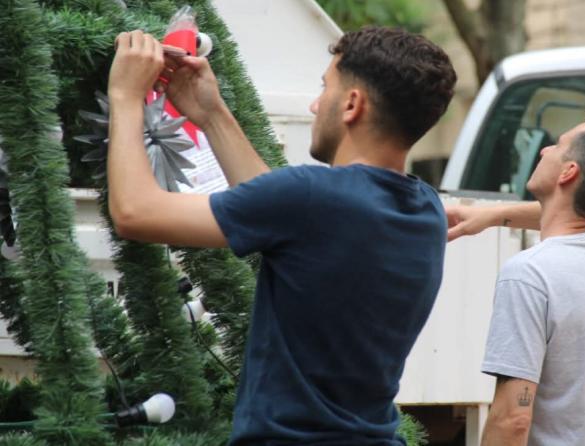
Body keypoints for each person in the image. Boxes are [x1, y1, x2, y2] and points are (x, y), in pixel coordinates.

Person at [107, 26, 456, 445]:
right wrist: (212, 114)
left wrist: (126, 97)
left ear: (351, 104)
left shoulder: (312, 198)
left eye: (324, 87)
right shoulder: (424, 209)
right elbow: (282, 217)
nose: (314, 104)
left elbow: (134, 211)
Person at [447, 109, 585, 446]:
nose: (544, 150)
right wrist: (491, 215)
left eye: (557, 146)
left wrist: (492, 215)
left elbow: (512, 419)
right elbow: (575, 215)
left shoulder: (529, 275)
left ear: (568, 172)